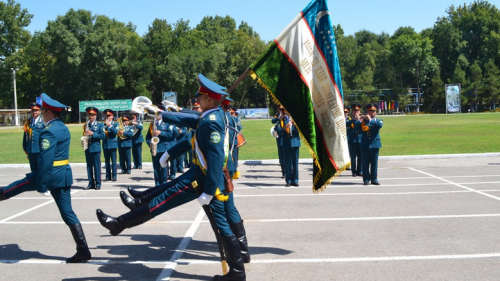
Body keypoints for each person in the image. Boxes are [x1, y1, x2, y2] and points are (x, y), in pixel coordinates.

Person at [96, 74, 246, 281]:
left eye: (200, 98)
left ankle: (118, 224)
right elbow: (188, 118)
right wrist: (159, 113)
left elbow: (216, 159)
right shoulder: (210, 116)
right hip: (203, 178)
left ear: (209, 100)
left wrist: (209, 191)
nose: (197, 101)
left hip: (204, 182)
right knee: (220, 223)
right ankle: (237, 272)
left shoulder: (211, 121)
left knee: (161, 203)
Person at [0, 93, 91, 263]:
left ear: (49, 113)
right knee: (68, 213)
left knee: (12, 188)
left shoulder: (48, 132)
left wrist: (41, 185)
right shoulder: (62, 127)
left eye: (42, 111)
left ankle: (83, 250)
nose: (41, 113)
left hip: (48, 175)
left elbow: (45, 160)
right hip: (62, 176)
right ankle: (83, 249)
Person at [146, 105, 179, 185]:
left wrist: (161, 133)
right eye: (157, 113)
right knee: (156, 168)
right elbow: (147, 137)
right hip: (155, 148)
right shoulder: (152, 124)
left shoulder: (167, 123)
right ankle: (157, 184)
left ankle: (164, 183)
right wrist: (149, 143)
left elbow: (170, 135)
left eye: (160, 113)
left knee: (163, 167)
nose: (158, 114)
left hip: (164, 147)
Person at [276, 110, 301, 187]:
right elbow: (278, 131)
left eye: (286, 113)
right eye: (284, 113)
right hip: (286, 143)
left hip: (295, 143)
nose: (285, 114)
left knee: (295, 163)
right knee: (287, 163)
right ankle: (289, 180)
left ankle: (295, 180)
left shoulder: (296, 119)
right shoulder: (281, 121)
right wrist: (285, 127)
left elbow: (302, 130)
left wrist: (296, 125)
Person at [361, 104, 383, 185]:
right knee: (365, 163)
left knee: (374, 163)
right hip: (365, 144)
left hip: (374, 144)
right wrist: (358, 120)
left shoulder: (378, 120)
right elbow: (357, 129)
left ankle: (374, 179)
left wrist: (370, 120)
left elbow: (379, 125)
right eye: (370, 111)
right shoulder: (363, 121)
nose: (372, 113)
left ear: (375, 112)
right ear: (367, 112)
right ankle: (366, 179)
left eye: (373, 111)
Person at [83, 107, 105, 190]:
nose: (91, 116)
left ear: (96, 115)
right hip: (88, 148)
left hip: (95, 148)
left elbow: (103, 136)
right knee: (89, 167)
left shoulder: (100, 125)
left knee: (96, 167)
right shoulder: (86, 125)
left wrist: (93, 133)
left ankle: (98, 183)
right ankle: (91, 183)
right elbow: (84, 135)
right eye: (89, 115)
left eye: (93, 115)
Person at [23, 102, 45, 172]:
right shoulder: (28, 122)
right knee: (33, 170)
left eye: (36, 110)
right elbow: (25, 135)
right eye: (33, 110)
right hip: (31, 150)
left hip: (39, 150)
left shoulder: (43, 121)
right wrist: (25, 147)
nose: (34, 112)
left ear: (40, 111)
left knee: (41, 169)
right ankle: (34, 183)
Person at [346, 103, 363, 177]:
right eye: (354, 111)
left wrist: (360, 120)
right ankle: (354, 171)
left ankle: (360, 171)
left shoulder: (362, 119)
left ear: (359, 111)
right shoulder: (349, 119)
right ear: (352, 112)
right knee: (353, 157)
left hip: (360, 140)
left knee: (361, 157)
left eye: (357, 111)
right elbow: (345, 124)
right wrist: (353, 119)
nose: (356, 112)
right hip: (352, 140)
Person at [102, 109, 119, 182]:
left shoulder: (116, 124)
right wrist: (105, 126)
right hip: (106, 144)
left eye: (109, 115)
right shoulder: (103, 124)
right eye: (107, 116)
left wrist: (110, 126)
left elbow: (115, 132)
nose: (108, 117)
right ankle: (108, 176)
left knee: (114, 161)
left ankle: (114, 176)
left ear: (112, 116)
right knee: (107, 161)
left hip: (113, 144)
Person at [271, 106, 286, 179]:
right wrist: (278, 118)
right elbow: (272, 121)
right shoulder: (277, 114)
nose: (281, 110)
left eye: (282, 109)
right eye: (280, 109)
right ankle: (284, 172)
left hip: (286, 136)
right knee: (282, 155)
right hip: (279, 137)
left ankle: (290, 171)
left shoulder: (287, 115)